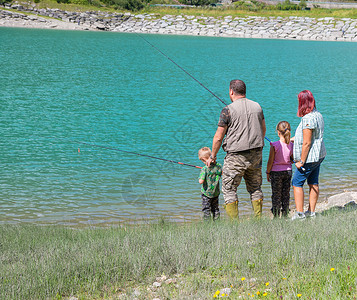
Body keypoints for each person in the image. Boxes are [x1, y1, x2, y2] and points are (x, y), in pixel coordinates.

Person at [206, 79, 266, 219]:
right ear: (244, 91)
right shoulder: (257, 106)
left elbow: (218, 137)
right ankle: (258, 220)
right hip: (256, 154)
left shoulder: (227, 110)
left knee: (229, 189)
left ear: (231, 91)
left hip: (235, 157)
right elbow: (263, 129)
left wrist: (212, 156)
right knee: (255, 188)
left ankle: (234, 225)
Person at [292, 90, 326, 220]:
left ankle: (300, 214)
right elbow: (312, 136)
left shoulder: (308, 119)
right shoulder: (318, 115)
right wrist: (294, 139)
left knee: (296, 183)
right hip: (319, 155)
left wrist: (301, 161)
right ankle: (311, 213)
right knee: (313, 182)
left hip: (310, 157)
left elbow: (307, 143)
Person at [266, 121, 293, 218]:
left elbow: (270, 161)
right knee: (286, 194)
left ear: (278, 132)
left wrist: (267, 172)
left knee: (276, 195)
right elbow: (292, 158)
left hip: (276, 173)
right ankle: (285, 214)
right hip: (288, 172)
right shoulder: (291, 145)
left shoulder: (274, 145)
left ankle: (276, 216)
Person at [198, 147, 222, 221]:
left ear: (204, 159)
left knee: (206, 209)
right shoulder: (219, 166)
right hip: (216, 192)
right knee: (215, 208)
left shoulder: (204, 169)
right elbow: (220, 175)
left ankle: (207, 224)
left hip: (206, 194)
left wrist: (201, 175)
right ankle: (217, 222)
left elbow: (201, 181)